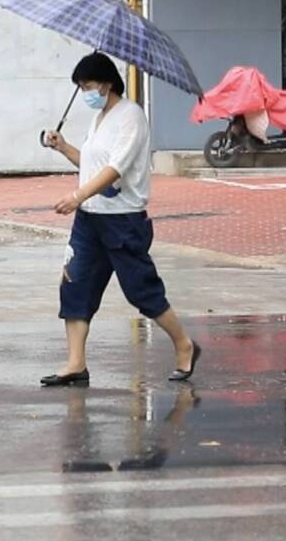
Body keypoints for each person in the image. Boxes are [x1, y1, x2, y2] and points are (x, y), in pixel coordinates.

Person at [41, 53, 201, 387]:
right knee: (74, 284)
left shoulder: (132, 117)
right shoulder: (99, 117)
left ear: (107, 82)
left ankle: (184, 345)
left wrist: (77, 196)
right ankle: (75, 363)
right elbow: (92, 164)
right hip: (89, 221)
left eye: (88, 85)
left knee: (141, 291)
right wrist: (63, 147)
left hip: (121, 221)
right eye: (81, 87)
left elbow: (116, 169)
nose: (85, 92)